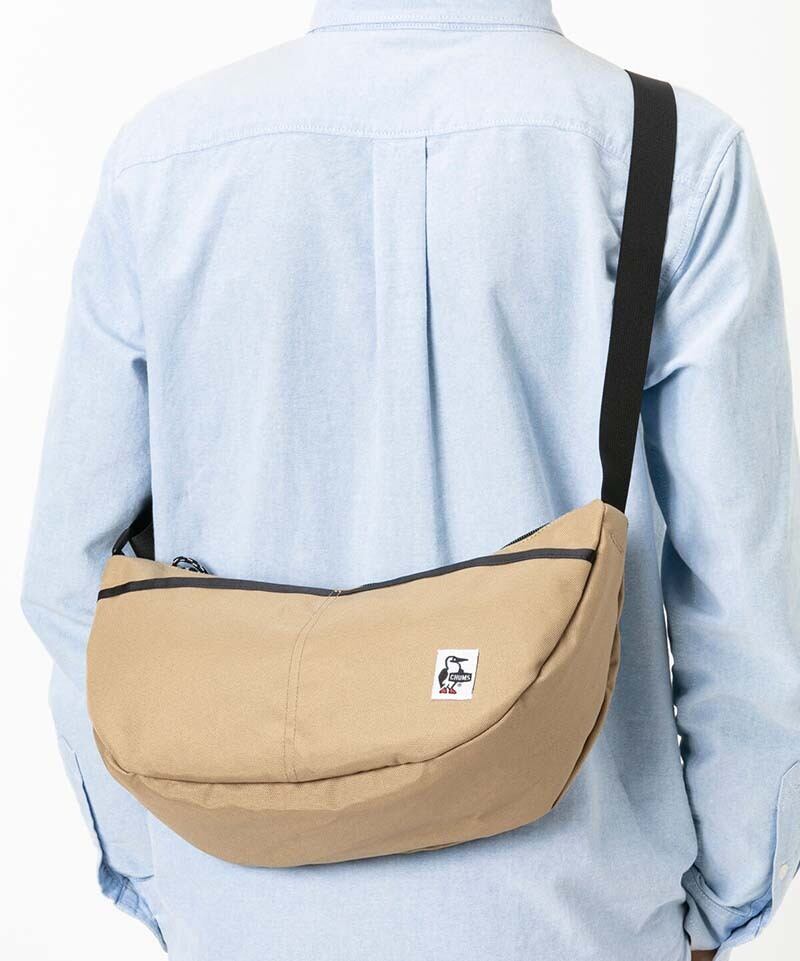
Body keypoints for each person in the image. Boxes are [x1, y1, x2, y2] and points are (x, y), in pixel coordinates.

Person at [22, 2, 799, 960]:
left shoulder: (161, 160)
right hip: (575, 918)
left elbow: (74, 582)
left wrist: (168, 870)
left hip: (237, 915)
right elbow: (746, 614)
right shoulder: (668, 154)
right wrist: (721, 902)